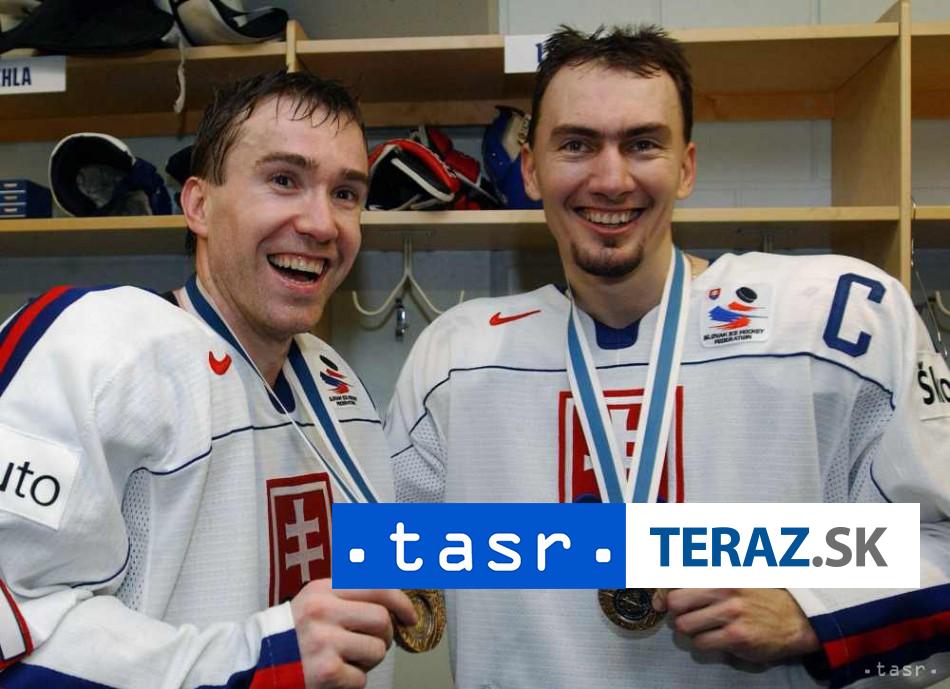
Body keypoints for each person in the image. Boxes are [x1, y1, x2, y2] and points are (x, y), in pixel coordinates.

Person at [385, 25, 950, 688]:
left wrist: (814, 609)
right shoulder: (456, 358)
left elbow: (937, 542)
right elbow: (382, 566)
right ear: (531, 170)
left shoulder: (838, 323)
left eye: (642, 143)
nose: (611, 178)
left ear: (686, 167)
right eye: (577, 144)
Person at [0, 69, 415, 689]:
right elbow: (16, 635)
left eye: (346, 193)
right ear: (198, 205)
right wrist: (263, 660)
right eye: (284, 180)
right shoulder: (101, 349)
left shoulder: (335, 381)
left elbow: (384, 557)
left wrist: (578, 545)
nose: (323, 223)